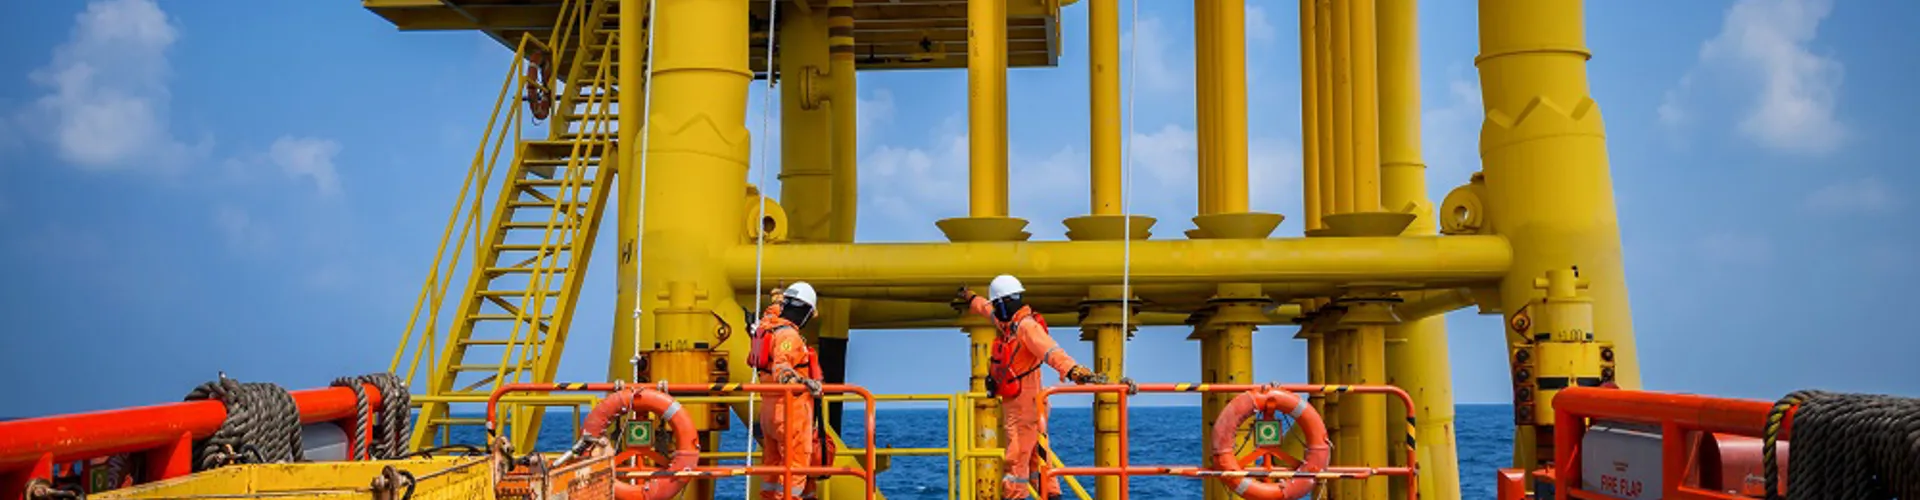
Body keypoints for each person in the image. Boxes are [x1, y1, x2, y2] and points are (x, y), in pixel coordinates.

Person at [959, 274, 1131, 500]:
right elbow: (985, 309)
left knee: (1017, 457)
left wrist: (1074, 370)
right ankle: (1050, 494)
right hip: (1029, 404)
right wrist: (970, 297)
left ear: (1003, 302)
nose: (994, 309)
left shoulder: (1026, 328)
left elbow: (1051, 351)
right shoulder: (1009, 324)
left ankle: (1015, 496)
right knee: (1037, 456)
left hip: (1024, 407)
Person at [753, 282, 825, 500]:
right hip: (790, 411)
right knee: (796, 467)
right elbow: (782, 369)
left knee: (773, 467)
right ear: (804, 311)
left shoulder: (768, 327)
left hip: (769, 410)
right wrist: (805, 382)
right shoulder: (788, 336)